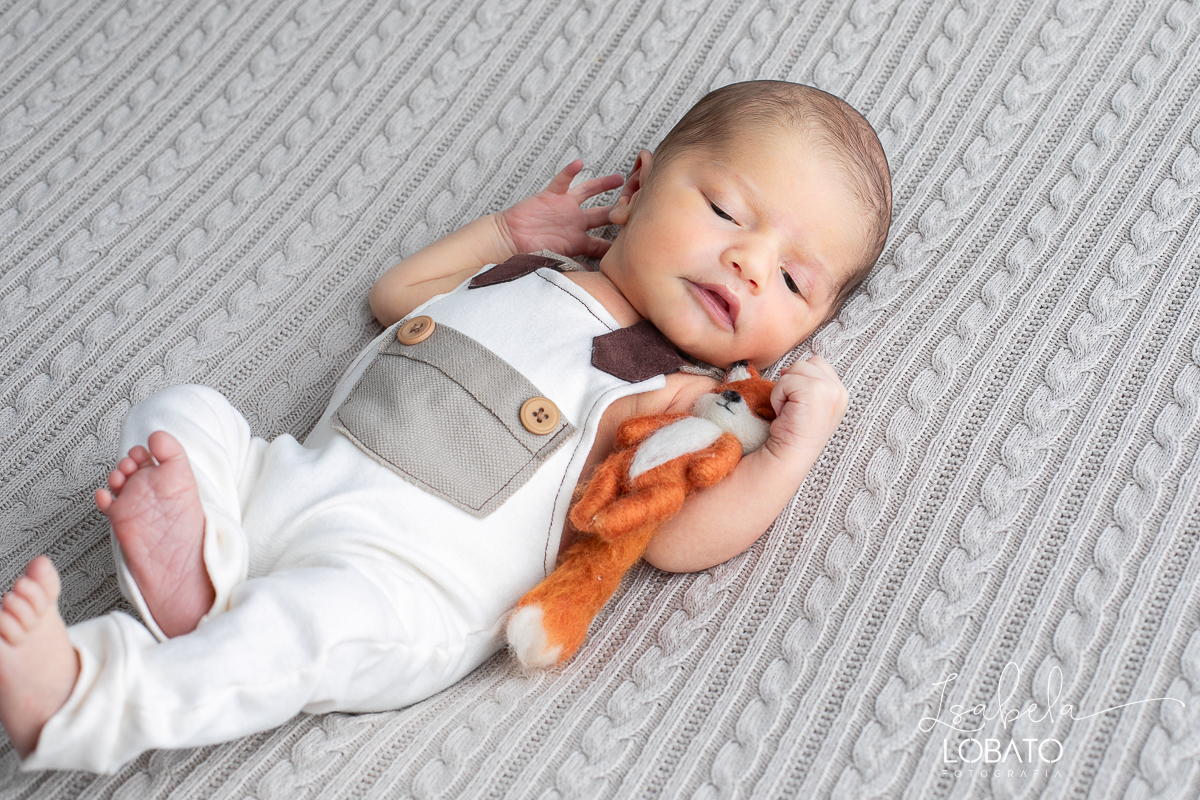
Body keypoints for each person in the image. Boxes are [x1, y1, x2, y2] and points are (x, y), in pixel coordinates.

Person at [0, 80, 890, 773]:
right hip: (294, 477)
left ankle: (84, 696)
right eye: (728, 211)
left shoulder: (679, 395)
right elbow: (398, 296)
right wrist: (504, 231)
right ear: (636, 187)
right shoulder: (528, 269)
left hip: (405, 582)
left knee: (306, 628)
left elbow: (675, 538)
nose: (749, 261)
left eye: (793, 281)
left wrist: (789, 454)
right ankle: (205, 574)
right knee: (181, 412)